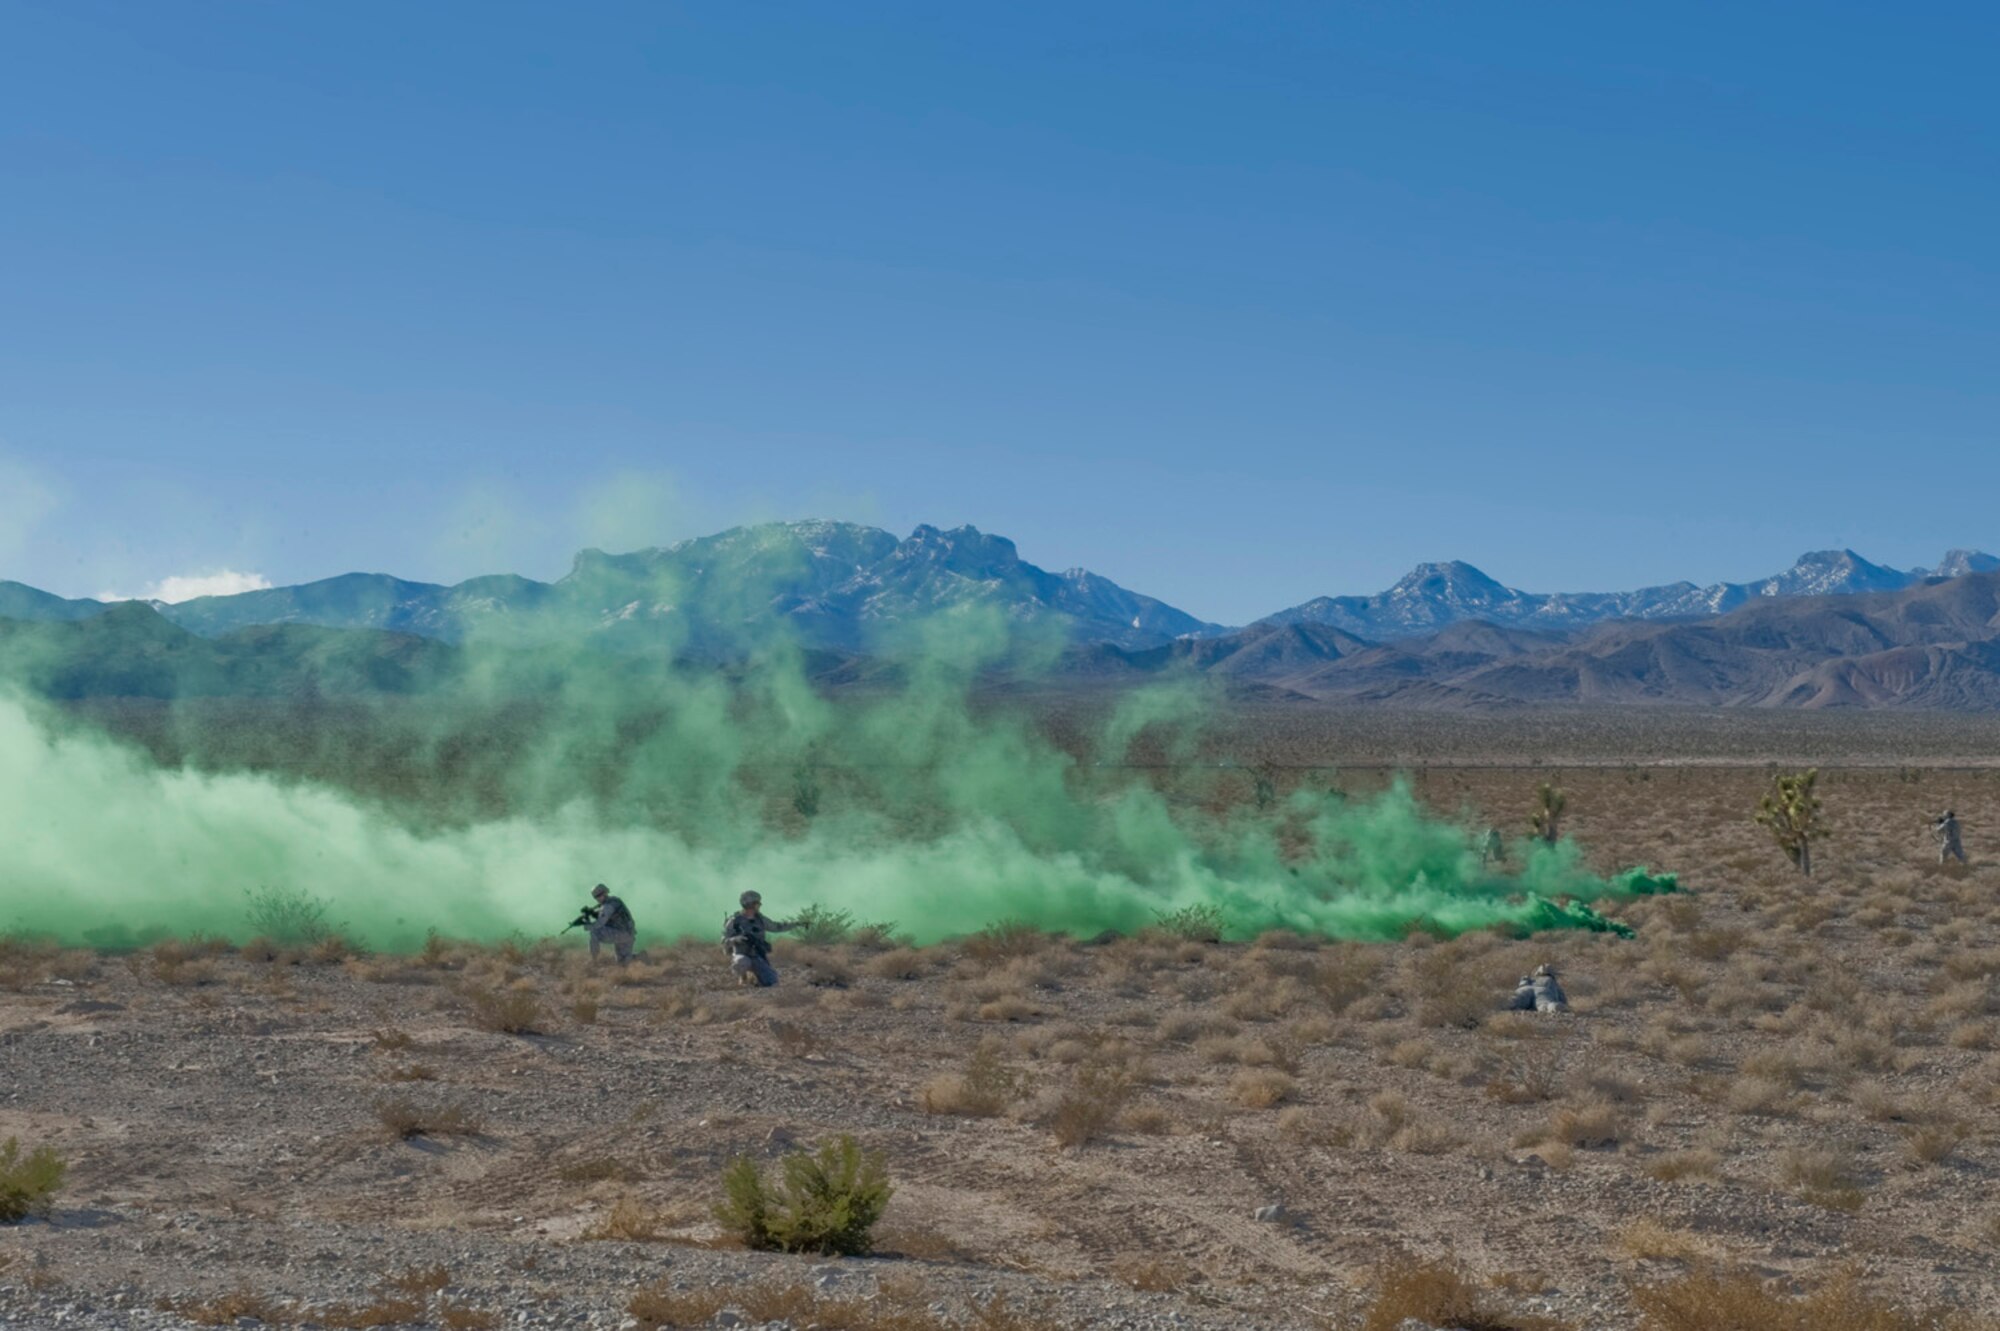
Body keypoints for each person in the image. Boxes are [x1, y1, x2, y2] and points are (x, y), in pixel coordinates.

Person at [722, 890, 795, 987]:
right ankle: (743, 978)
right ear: (750, 904)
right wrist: (735, 939)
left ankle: (755, 977)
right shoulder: (734, 921)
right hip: (742, 955)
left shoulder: (760, 919)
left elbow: (776, 927)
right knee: (741, 962)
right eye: (757, 903)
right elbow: (724, 941)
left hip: (757, 956)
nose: (759, 905)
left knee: (772, 982)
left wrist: (795, 924)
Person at [587, 883, 636, 965]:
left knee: (594, 931)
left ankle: (593, 960)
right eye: (596, 897)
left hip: (621, 934)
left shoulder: (608, 905)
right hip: (627, 934)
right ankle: (641, 956)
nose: (598, 898)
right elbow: (609, 916)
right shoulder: (614, 900)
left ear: (605, 893)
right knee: (622, 962)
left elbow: (600, 923)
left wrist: (587, 925)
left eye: (599, 895)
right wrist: (594, 914)